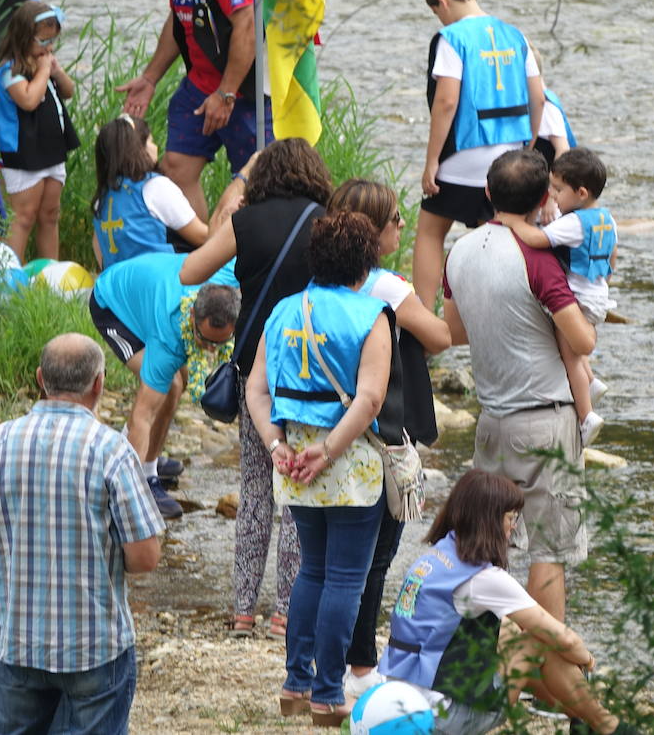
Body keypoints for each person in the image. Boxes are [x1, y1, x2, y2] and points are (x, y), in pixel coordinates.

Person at [0, 334, 163, 734]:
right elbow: (145, 557)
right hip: (95, 646)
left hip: (18, 644)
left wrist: (14, 549)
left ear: (39, 379)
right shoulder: (112, 450)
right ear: (98, 384)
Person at [244, 211, 393, 727]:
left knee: (312, 569)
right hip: (344, 459)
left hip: (294, 457)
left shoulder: (285, 309)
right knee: (346, 579)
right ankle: (329, 694)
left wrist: (275, 444)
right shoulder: (371, 314)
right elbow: (370, 398)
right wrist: (329, 451)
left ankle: (295, 684)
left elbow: (256, 388)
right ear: (365, 264)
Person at [180, 137, 331, 641]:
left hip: (257, 368)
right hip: (313, 367)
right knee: (299, 488)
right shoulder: (326, 219)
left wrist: (236, 194)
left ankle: (243, 610)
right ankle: (286, 611)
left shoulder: (246, 222)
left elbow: (190, 270)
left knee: (255, 488)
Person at [442, 149, 595, 622]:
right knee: (549, 552)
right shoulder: (539, 258)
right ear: (543, 199)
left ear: (487, 193)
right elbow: (582, 339)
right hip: (545, 422)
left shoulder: (459, 252)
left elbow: (456, 331)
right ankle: (546, 673)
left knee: (489, 550)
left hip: (491, 422)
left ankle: (491, 663)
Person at [380, 470, 634, 735]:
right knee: (537, 643)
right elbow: (565, 639)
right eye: (511, 518)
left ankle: (585, 722)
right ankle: (609, 726)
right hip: (444, 719)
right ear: (489, 521)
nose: (514, 527)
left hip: (403, 705)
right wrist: (587, 660)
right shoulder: (483, 578)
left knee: (511, 630)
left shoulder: (434, 557)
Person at [326, 178, 451, 700]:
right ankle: (358, 666)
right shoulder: (386, 288)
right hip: (379, 432)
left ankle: (317, 663)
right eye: (395, 219)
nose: (403, 225)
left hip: (326, 425)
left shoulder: (320, 280)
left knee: (327, 558)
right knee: (375, 558)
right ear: (372, 231)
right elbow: (440, 339)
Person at [116, 0, 272, 218]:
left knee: (256, 183)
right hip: (201, 85)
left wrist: (226, 94)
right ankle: (202, 252)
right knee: (175, 168)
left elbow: (247, 23)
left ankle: (241, 257)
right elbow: (179, 15)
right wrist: (149, 78)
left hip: (245, 88)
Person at [413, 0, 545, 307]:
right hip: (511, 159)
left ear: (442, 1)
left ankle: (424, 321)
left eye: (437, 13)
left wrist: (431, 163)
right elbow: (538, 96)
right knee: (504, 239)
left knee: (430, 231)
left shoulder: (453, 38)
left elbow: (446, 101)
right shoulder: (515, 35)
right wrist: (528, 145)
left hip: (465, 158)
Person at [89, 253, 241, 519]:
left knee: (174, 384)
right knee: (170, 386)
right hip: (113, 303)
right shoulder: (168, 338)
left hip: (150, 286)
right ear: (192, 313)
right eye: (204, 340)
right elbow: (142, 417)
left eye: (219, 344)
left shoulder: (226, 276)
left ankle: (151, 459)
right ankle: (144, 478)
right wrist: (127, 503)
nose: (209, 349)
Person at [505, 147, 616, 445]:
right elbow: (612, 259)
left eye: (557, 189)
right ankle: (592, 382)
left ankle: (586, 415)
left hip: (577, 300)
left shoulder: (573, 222)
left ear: (580, 192)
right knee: (574, 351)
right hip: (597, 295)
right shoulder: (606, 218)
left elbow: (538, 239)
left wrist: (514, 222)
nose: (552, 195)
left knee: (569, 355)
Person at [0, 1, 80, 261]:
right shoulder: (10, 71)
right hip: (24, 150)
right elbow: (28, 100)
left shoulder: (44, 64)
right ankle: (11, 272)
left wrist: (57, 72)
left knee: (50, 213)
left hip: (52, 148)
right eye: (43, 42)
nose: (49, 49)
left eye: (52, 42)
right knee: (24, 215)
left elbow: (69, 91)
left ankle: (49, 271)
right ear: (23, 37)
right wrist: (43, 72)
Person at [91, 114, 207, 269]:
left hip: (117, 285)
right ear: (139, 148)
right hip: (159, 280)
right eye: (151, 141)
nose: (155, 147)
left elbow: (98, 247)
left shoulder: (102, 197)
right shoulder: (155, 186)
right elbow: (201, 237)